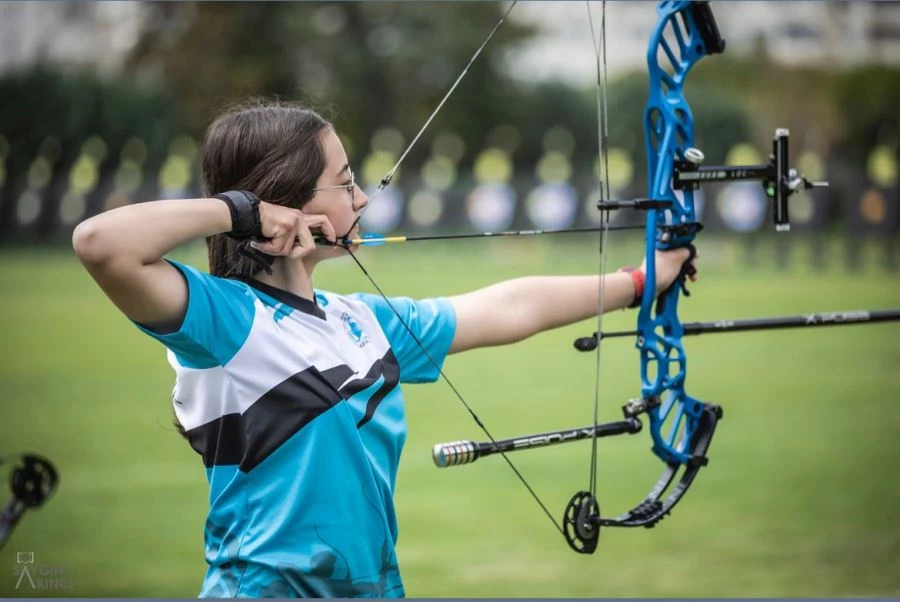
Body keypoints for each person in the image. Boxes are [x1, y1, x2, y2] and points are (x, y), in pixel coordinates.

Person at [72, 101, 695, 598]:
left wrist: (642, 280)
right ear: (286, 200)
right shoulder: (225, 320)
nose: (363, 198)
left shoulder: (361, 320)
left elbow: (508, 307)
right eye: (345, 182)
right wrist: (241, 212)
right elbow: (100, 244)